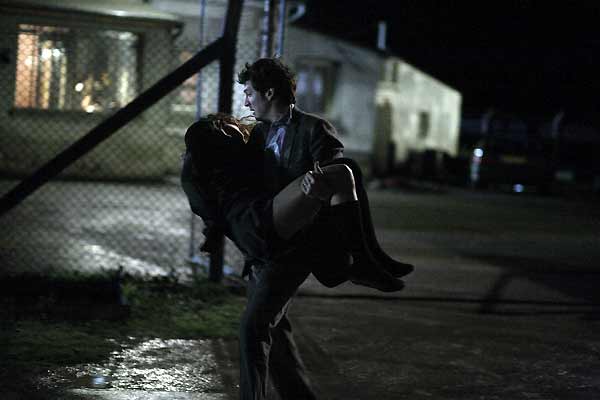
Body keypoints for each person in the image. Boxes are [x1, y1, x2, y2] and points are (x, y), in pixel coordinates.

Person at [181, 113, 408, 400]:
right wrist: (212, 234)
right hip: (259, 226)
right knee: (256, 328)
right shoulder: (200, 165)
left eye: (232, 128)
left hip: (274, 225)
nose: (234, 132)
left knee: (270, 328)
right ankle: (351, 263)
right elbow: (206, 207)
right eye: (225, 132)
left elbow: (285, 160)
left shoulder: (255, 140)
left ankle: (360, 260)